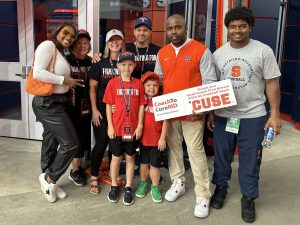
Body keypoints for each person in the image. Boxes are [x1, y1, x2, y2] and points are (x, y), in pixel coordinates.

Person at [207, 7, 281, 223]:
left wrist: (274, 114)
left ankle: (248, 197)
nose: (237, 30)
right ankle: (221, 187)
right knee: (222, 155)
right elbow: (213, 87)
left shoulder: (263, 51)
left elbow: (272, 83)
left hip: (253, 115)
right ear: (227, 29)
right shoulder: (219, 54)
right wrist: (211, 112)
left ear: (250, 27)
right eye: (232, 27)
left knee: (250, 159)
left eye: (242, 26)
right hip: (224, 115)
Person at [154, 14, 217, 218]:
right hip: (171, 113)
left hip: (193, 113)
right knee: (173, 149)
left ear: (186, 27)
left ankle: (203, 194)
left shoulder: (201, 50)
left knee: (195, 150)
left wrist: (203, 108)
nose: (173, 31)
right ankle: (178, 182)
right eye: (170, 28)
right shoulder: (162, 53)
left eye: (178, 27)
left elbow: (209, 82)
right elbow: (159, 82)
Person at [32, 22, 85, 203]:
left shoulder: (60, 52)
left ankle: (47, 179)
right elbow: (37, 73)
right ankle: (50, 179)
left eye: (72, 36)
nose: (69, 37)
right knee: (70, 143)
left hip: (57, 102)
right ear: (57, 32)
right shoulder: (48, 45)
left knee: (51, 140)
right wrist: (65, 80)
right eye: (66, 33)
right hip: (48, 103)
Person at [103, 51, 146, 205]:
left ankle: (128, 187)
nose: (127, 67)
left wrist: (140, 125)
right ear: (118, 66)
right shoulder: (113, 83)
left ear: (134, 66)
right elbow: (108, 105)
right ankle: (114, 185)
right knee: (115, 158)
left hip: (132, 129)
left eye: (130, 64)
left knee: (130, 158)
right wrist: (110, 126)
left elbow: (142, 105)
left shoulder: (139, 83)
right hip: (116, 128)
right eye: (123, 64)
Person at [88, 29, 126, 194]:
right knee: (101, 143)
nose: (115, 43)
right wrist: (94, 110)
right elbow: (92, 88)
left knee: (115, 145)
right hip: (102, 111)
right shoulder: (99, 62)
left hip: (121, 112)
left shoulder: (127, 61)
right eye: (112, 40)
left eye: (118, 40)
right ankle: (94, 176)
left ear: (122, 43)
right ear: (107, 43)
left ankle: (112, 175)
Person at [135, 72, 168, 203]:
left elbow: (166, 121)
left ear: (159, 86)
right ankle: (143, 183)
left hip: (156, 141)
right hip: (143, 140)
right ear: (143, 86)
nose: (151, 88)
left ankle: (155, 186)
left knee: (155, 165)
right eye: (148, 85)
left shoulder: (161, 101)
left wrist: (162, 138)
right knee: (143, 164)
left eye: (155, 85)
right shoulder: (140, 100)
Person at [66, 29, 92, 187]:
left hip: (86, 107)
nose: (82, 46)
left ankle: (78, 168)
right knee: (74, 140)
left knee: (83, 138)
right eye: (79, 43)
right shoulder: (66, 60)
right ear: (74, 44)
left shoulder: (91, 61)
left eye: (86, 43)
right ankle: (74, 171)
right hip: (70, 107)